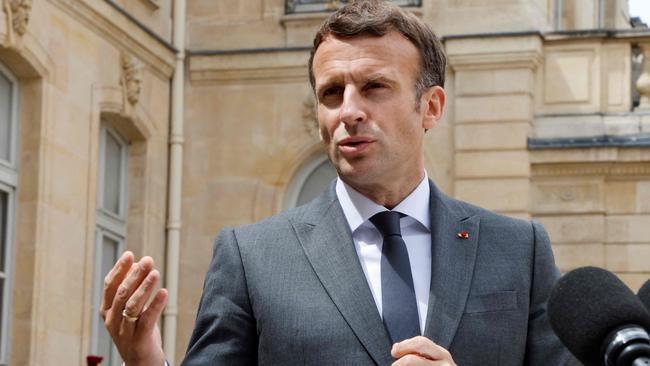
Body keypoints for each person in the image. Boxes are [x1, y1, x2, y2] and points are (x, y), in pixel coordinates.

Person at [100, 1, 573, 365]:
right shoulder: (252, 258)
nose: (348, 111)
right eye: (331, 93)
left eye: (374, 87)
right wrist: (145, 359)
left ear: (430, 106)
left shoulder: (517, 251)